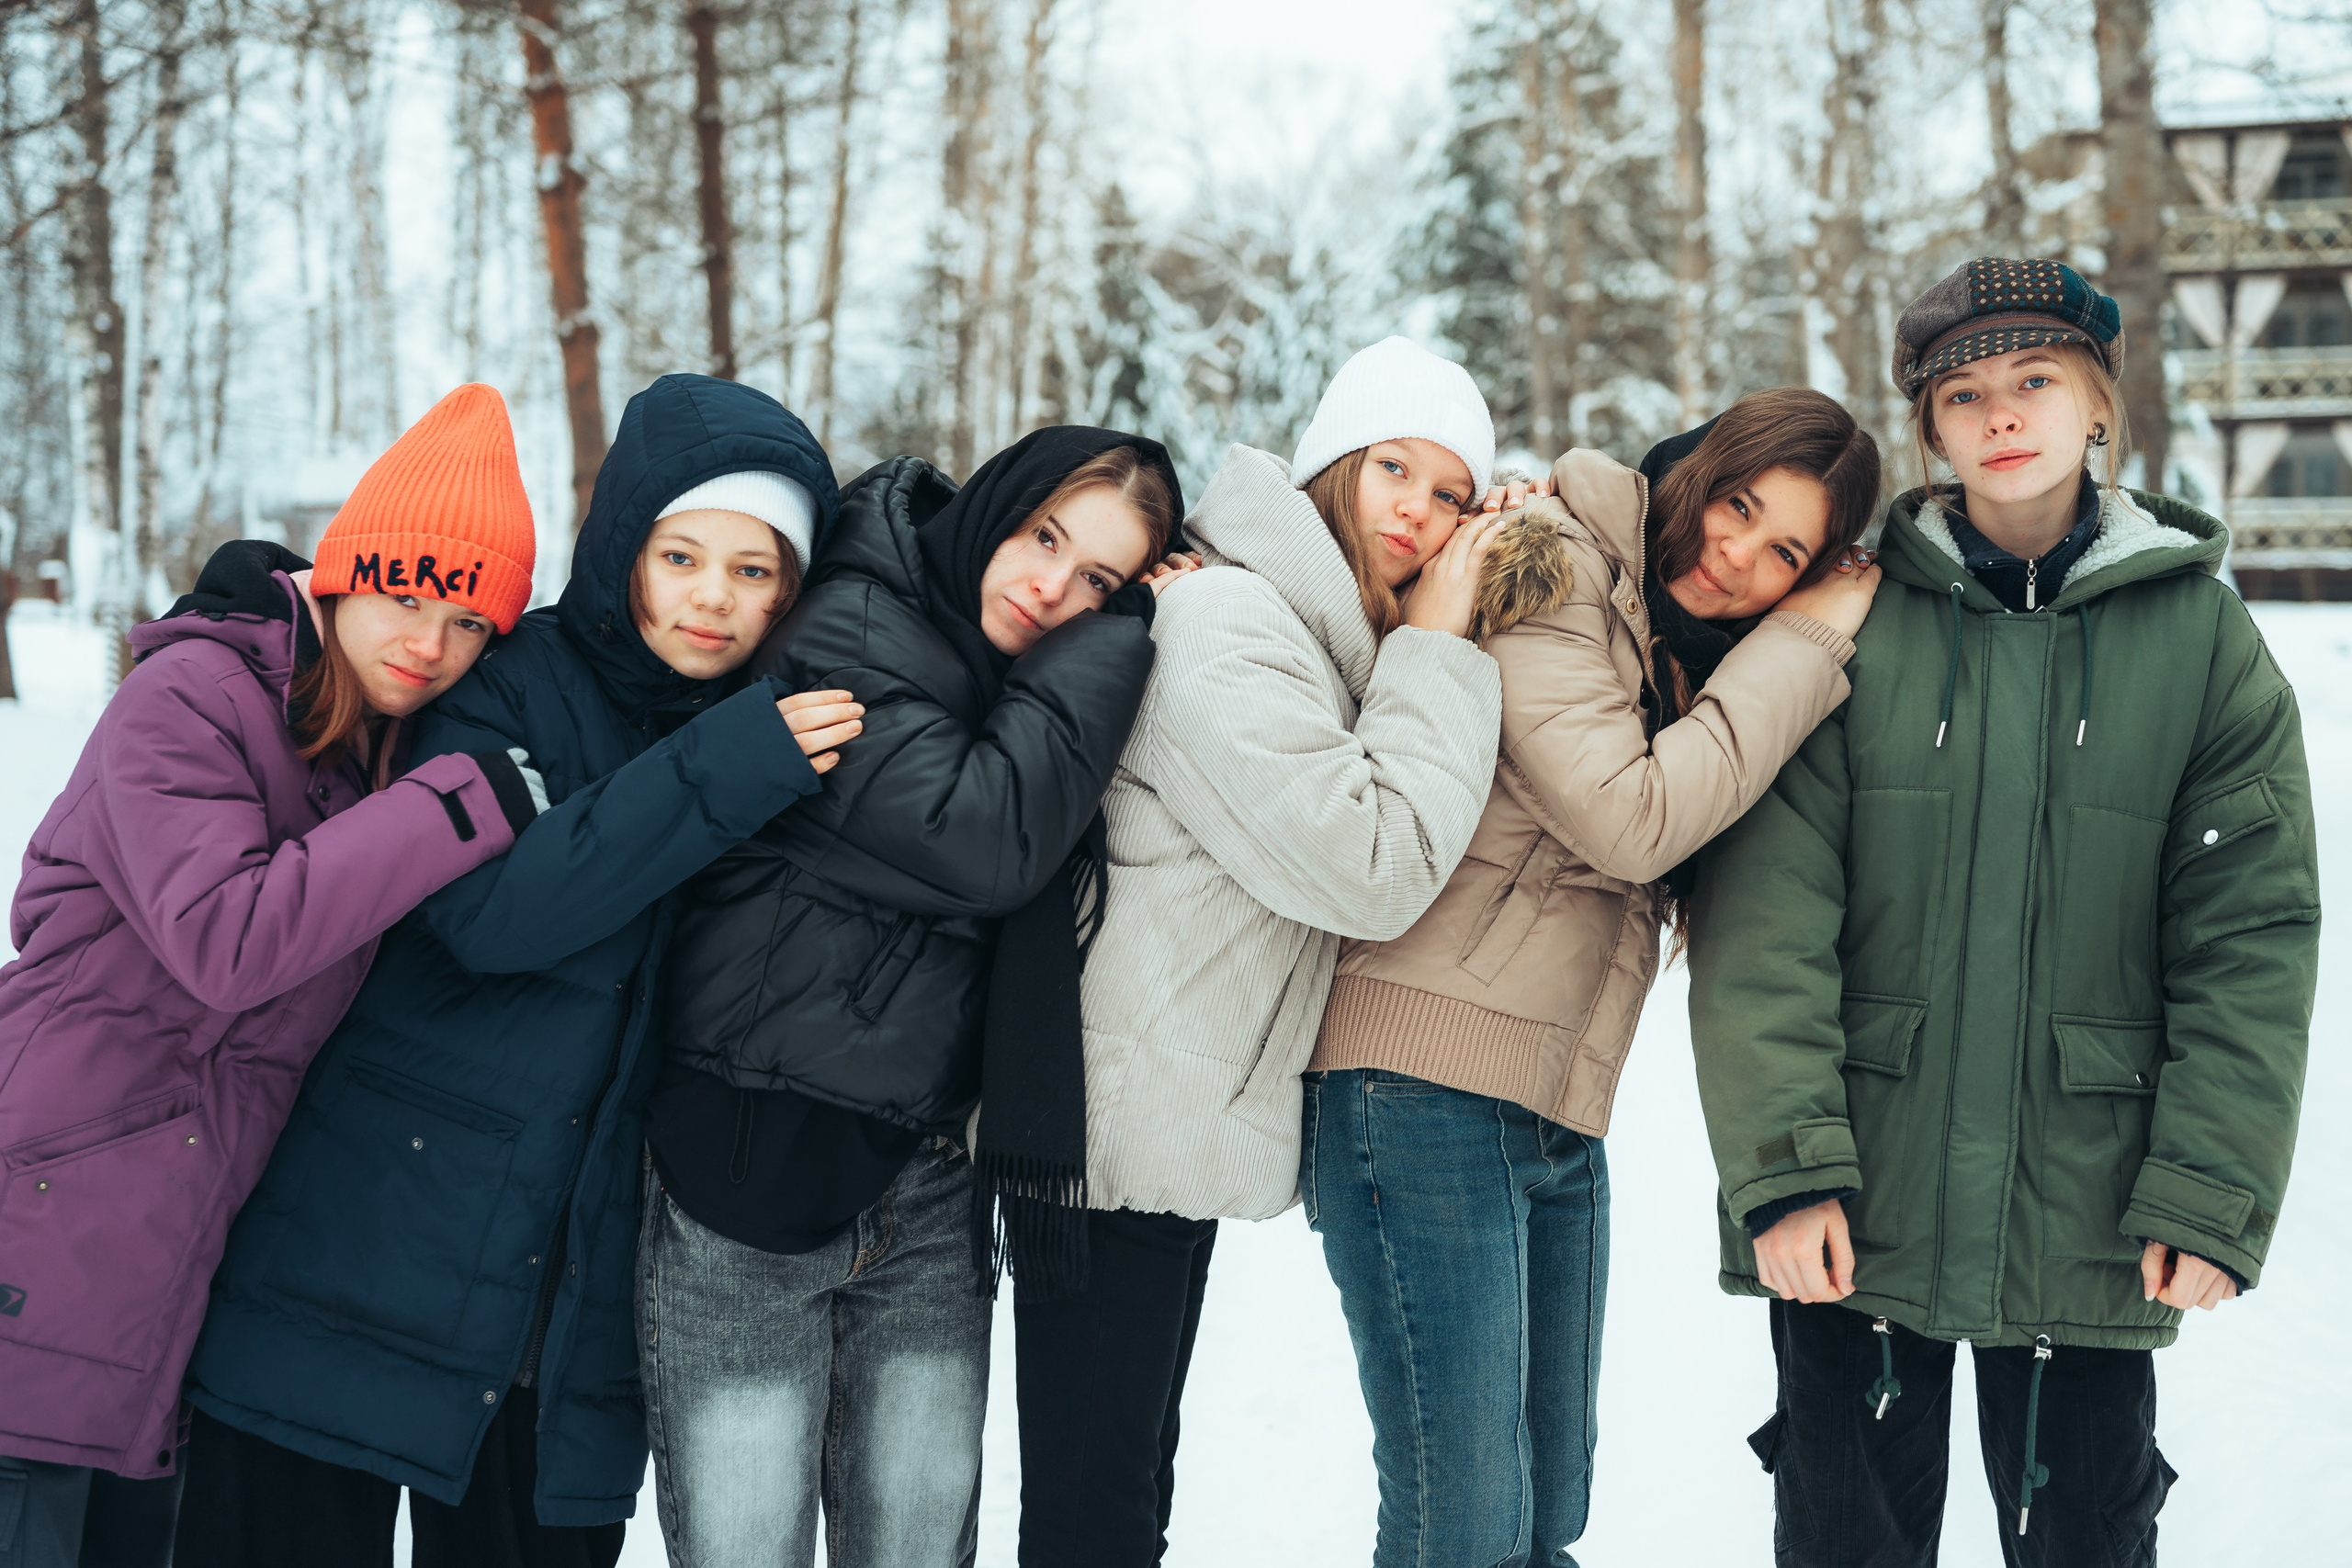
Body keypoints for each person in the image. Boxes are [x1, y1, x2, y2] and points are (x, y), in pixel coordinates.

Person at [1688, 258, 2319, 1567]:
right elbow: (1765, 914)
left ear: (2098, 403)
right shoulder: (1848, 619)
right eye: (1963, 392)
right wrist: (1788, 1166)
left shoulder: (2200, 637)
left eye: (2035, 379)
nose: (2001, 413)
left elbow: (2248, 932)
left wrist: (2209, 1189)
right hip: (1861, 1206)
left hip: (2088, 1211)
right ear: (1930, 428)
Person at [175, 374, 860, 1568]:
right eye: (682, 554)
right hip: (358, 1255)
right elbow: (490, 909)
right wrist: (720, 769)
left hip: (565, 1315)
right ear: (624, 549)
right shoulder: (511, 682)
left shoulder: (777, 728)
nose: (712, 597)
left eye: (755, 572)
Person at [1304, 387, 1884, 1567]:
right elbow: (1632, 822)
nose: (1738, 557)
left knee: (1543, 1511)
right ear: (1694, 471)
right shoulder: (1555, 568)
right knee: (1459, 1525)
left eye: (1784, 554)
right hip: (1418, 1085)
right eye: (1736, 506)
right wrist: (1806, 639)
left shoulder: (1680, 652)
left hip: (1554, 1103)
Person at [0, 384, 543, 1568]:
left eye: (467, 627)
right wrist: (455, 807)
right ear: (348, 573)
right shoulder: (187, 698)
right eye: (409, 596)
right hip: (46, 1211)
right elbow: (227, 938)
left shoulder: (359, 743)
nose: (430, 645)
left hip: (176, 1250)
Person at [642, 427, 1187, 1568]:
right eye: (1046, 538)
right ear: (998, 502)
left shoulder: (1008, 671)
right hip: (744, 1169)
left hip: (925, 1185)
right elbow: (983, 840)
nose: (1053, 589)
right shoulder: (846, 622)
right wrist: (1117, 641)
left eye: (1100, 580)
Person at [1010, 337, 1510, 1566]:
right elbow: (1372, 861)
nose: (1420, 511)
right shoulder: (1230, 620)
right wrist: (1441, 643)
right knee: (1096, 1516)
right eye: (1395, 466)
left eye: (1452, 493)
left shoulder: (1292, 629)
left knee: (1122, 1500)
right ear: (1335, 462)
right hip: (1115, 1135)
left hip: (1156, 1124)